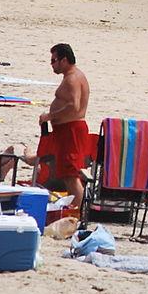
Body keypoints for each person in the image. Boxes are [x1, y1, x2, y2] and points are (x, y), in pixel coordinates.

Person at [40, 43, 90, 212]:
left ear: (64, 60)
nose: (51, 64)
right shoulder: (74, 75)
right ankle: (73, 210)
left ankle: (75, 213)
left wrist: (50, 116)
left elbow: (73, 106)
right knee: (66, 173)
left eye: (54, 60)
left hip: (71, 130)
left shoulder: (72, 78)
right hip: (67, 130)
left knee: (71, 175)